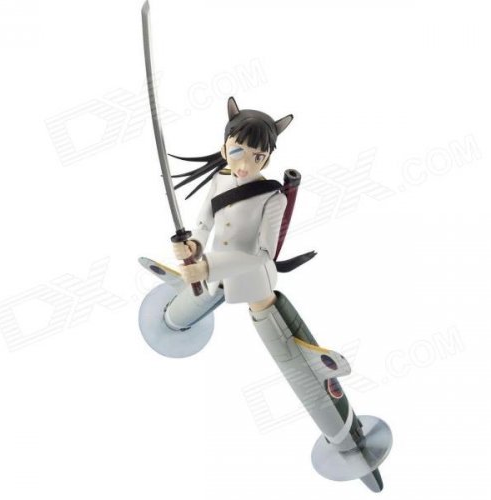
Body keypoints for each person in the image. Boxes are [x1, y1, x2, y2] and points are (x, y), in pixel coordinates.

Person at [144, 97, 391, 492]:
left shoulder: (272, 198)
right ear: (225, 146)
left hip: (252, 281)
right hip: (213, 274)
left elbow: (262, 254)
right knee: (195, 300)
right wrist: (192, 247)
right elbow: (203, 224)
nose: (246, 163)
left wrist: (208, 266)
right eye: (238, 151)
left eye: (258, 156)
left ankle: (344, 437)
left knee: (285, 348)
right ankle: (173, 320)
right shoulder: (219, 180)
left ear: (268, 157)